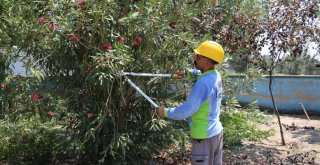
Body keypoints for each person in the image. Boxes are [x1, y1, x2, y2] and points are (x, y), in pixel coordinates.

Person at [156, 40, 224, 165]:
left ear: (206, 60)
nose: (195, 58)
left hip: (204, 137)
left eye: (198, 56)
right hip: (216, 132)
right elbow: (200, 73)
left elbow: (187, 110)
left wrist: (165, 112)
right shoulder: (215, 75)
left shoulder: (203, 83)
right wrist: (188, 73)